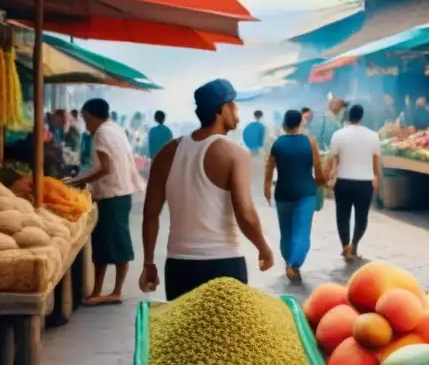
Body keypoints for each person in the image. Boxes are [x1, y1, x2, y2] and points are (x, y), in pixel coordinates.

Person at [139, 79, 274, 301]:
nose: (237, 110)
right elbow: (245, 212)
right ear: (222, 110)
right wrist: (263, 247)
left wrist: (148, 263)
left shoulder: (167, 152)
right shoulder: (234, 153)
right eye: (233, 104)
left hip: (178, 267)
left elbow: (150, 213)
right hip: (223, 264)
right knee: (225, 335)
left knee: (184, 335)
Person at [66, 98, 144, 305]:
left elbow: (105, 168)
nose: (85, 124)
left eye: (85, 119)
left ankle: (115, 292)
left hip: (112, 195)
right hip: (119, 193)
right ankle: (98, 291)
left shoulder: (102, 133)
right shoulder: (114, 128)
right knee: (104, 246)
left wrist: (77, 181)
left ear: (92, 115)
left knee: (116, 245)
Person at [264, 110, 325, 282]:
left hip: (283, 193)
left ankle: (289, 261)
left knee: (286, 231)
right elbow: (317, 167)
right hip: (306, 192)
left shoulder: (277, 144)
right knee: (302, 231)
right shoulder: (310, 141)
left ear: (284, 125)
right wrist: (321, 183)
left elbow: (269, 170)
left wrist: (266, 188)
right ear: (300, 123)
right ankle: (294, 264)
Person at [326, 103, 381, 261]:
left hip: (343, 182)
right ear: (361, 116)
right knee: (361, 216)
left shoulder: (339, 134)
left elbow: (332, 158)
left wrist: (329, 176)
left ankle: (345, 246)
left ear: (348, 116)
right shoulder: (373, 136)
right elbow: (375, 159)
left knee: (342, 216)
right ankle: (354, 245)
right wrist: (376, 177)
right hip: (365, 182)